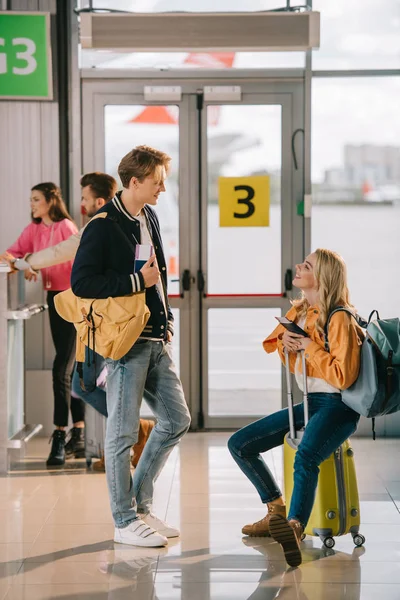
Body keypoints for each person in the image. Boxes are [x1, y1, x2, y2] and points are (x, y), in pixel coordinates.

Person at [71, 146, 191, 548]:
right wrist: (137, 284)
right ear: (134, 181)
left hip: (156, 337)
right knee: (121, 434)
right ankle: (124, 520)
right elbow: (83, 283)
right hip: (125, 343)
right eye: (157, 180)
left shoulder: (149, 215)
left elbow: (157, 271)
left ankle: (139, 506)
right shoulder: (102, 224)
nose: (162, 186)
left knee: (176, 420)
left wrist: (167, 318)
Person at [3, 172, 155, 470]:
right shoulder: (118, 224)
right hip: (99, 315)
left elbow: (67, 256)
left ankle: (129, 435)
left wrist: (25, 263)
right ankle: (123, 443)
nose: (81, 204)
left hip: (102, 317)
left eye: (84, 198)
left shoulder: (100, 226)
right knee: (86, 381)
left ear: (99, 200)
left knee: (85, 382)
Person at [228, 249, 363, 568]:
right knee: (240, 445)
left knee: (305, 457)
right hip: (314, 401)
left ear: (324, 277)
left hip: (340, 405)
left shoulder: (340, 316)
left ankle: (294, 527)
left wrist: (308, 346)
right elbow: (297, 364)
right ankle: (275, 510)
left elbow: (344, 376)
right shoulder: (302, 311)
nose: (298, 267)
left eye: (307, 265)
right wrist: (289, 347)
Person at [0, 183, 83, 466]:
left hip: (72, 299)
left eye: (36, 199)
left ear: (50, 201)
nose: (32, 204)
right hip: (52, 298)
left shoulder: (66, 228)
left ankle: (61, 433)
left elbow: (70, 260)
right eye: (31, 199)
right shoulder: (33, 230)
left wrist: (32, 265)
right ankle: (78, 433)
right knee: (67, 368)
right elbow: (10, 255)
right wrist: (25, 264)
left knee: (63, 367)